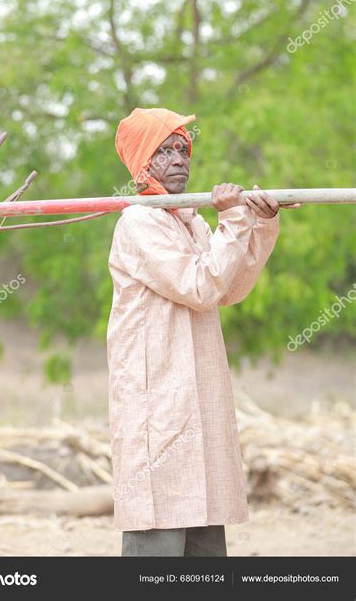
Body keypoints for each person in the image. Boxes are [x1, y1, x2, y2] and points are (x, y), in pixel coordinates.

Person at [107, 106, 301, 557]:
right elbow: (199, 285)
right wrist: (234, 218)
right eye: (164, 151)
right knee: (158, 531)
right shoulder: (139, 222)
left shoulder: (191, 220)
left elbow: (230, 286)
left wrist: (259, 222)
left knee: (204, 533)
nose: (179, 159)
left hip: (198, 398)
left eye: (182, 149)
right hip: (157, 400)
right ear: (142, 164)